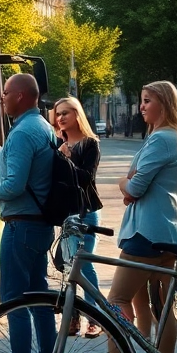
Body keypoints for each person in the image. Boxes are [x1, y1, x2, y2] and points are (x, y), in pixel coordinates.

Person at [81, 80, 177, 353]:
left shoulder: (162, 139)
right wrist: (131, 183)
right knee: (160, 308)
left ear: (164, 104)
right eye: (141, 100)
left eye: (147, 101)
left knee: (115, 299)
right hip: (170, 234)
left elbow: (134, 188)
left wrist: (124, 182)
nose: (141, 106)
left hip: (146, 235)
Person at [0, 73, 57, 353]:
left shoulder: (24, 132)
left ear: (22, 96)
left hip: (21, 224)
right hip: (38, 225)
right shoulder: (45, 128)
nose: (2, 97)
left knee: (14, 301)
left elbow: (15, 185)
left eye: (6, 92)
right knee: (38, 297)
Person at [52, 97, 104, 338]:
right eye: (57, 114)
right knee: (67, 266)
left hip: (87, 211)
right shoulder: (56, 143)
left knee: (82, 264)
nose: (60, 118)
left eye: (65, 113)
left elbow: (85, 178)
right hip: (66, 212)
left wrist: (66, 158)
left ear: (77, 114)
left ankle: (95, 318)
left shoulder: (90, 143)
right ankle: (72, 317)